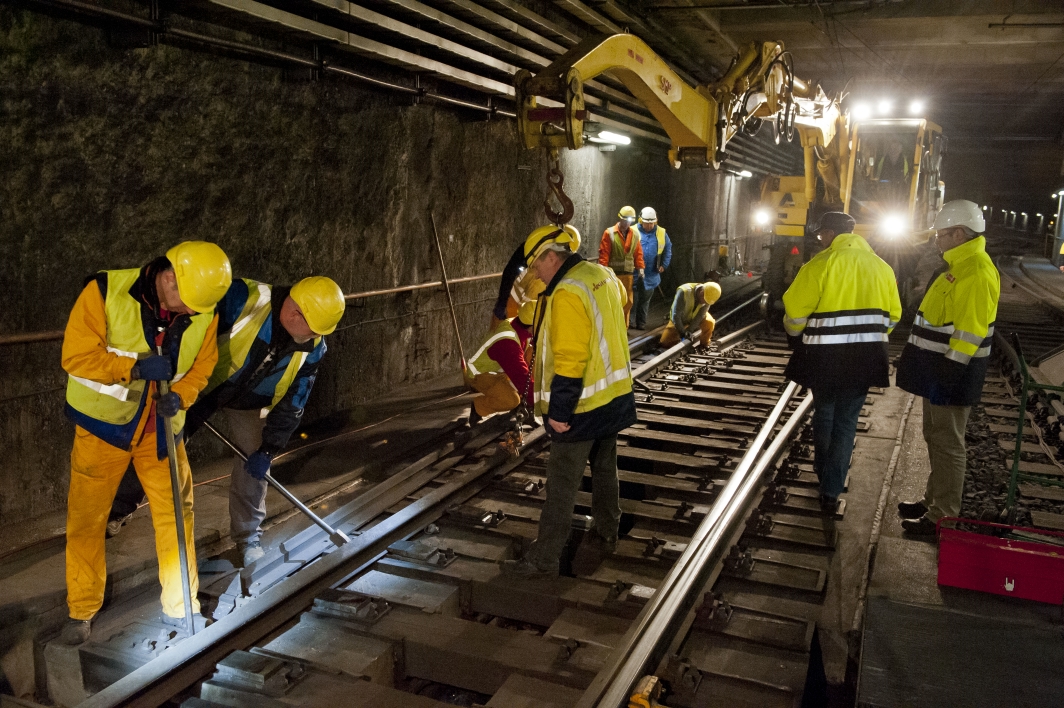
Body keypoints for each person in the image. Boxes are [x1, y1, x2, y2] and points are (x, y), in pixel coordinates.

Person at [105, 276, 346, 567]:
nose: (316, 336)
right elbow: (185, 324)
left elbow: (296, 400)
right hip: (202, 387)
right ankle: (117, 510)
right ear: (295, 313)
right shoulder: (243, 298)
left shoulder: (314, 347)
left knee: (254, 464)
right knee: (158, 445)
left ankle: (248, 538)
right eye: (314, 329)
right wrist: (171, 377)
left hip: (251, 400)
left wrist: (269, 449)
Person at [58, 241, 232, 645]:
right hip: (104, 428)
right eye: (186, 303)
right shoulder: (104, 292)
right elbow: (76, 356)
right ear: (167, 276)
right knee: (87, 519)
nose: (191, 313)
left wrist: (183, 395)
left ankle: (181, 606)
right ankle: (80, 610)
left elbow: (202, 366)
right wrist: (131, 368)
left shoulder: (203, 306)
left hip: (160, 431)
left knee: (176, 515)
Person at [502, 224, 637, 577]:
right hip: (613, 395)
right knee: (605, 467)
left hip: (581, 407)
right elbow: (617, 307)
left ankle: (544, 558)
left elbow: (571, 357)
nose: (536, 274)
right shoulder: (602, 275)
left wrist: (559, 411)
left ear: (551, 256)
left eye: (537, 266)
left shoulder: (566, 293)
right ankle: (607, 532)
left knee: (562, 484)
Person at [782, 212, 902, 512]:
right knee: (847, 422)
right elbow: (894, 316)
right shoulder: (882, 268)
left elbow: (795, 313)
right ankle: (831, 489)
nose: (820, 239)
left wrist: (796, 336)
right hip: (867, 358)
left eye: (822, 234)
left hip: (825, 358)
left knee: (825, 415)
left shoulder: (821, 264)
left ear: (830, 234)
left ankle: (823, 475)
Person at [895, 200, 1000, 536]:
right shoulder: (958, 266)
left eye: (941, 234)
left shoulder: (976, 271)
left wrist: (950, 373)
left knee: (948, 442)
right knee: (935, 437)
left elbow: (970, 332)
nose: (936, 240)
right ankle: (932, 501)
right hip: (938, 370)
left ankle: (943, 517)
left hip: (952, 373)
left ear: (958, 233)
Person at [465, 302, 535, 426]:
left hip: (501, 370)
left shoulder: (520, 324)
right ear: (531, 326)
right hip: (483, 374)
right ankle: (479, 407)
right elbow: (521, 377)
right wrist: (539, 403)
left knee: (536, 354)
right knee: (510, 400)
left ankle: (526, 406)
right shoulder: (507, 344)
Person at [598, 206, 645, 327]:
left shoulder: (634, 235)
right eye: (625, 220)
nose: (627, 223)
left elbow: (638, 253)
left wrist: (640, 268)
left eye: (629, 221)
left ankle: (623, 328)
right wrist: (603, 270)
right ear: (620, 218)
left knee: (628, 302)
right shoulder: (609, 233)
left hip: (628, 275)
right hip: (613, 275)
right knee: (614, 302)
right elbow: (604, 253)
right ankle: (612, 327)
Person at [631, 206, 672, 330]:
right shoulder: (632, 231)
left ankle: (641, 323)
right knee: (632, 298)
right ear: (640, 221)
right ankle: (630, 322)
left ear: (655, 222)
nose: (648, 226)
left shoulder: (661, 233)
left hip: (651, 273)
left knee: (645, 300)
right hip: (634, 272)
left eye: (651, 223)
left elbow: (668, 249)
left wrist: (664, 265)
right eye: (646, 223)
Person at [661, 282, 722, 348]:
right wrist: (683, 333)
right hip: (680, 319)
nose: (705, 303)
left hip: (694, 317)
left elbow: (701, 315)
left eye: (707, 302)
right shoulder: (684, 292)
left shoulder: (708, 297)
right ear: (701, 292)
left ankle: (705, 343)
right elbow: (676, 315)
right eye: (704, 300)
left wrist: (690, 330)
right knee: (665, 342)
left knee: (710, 322)